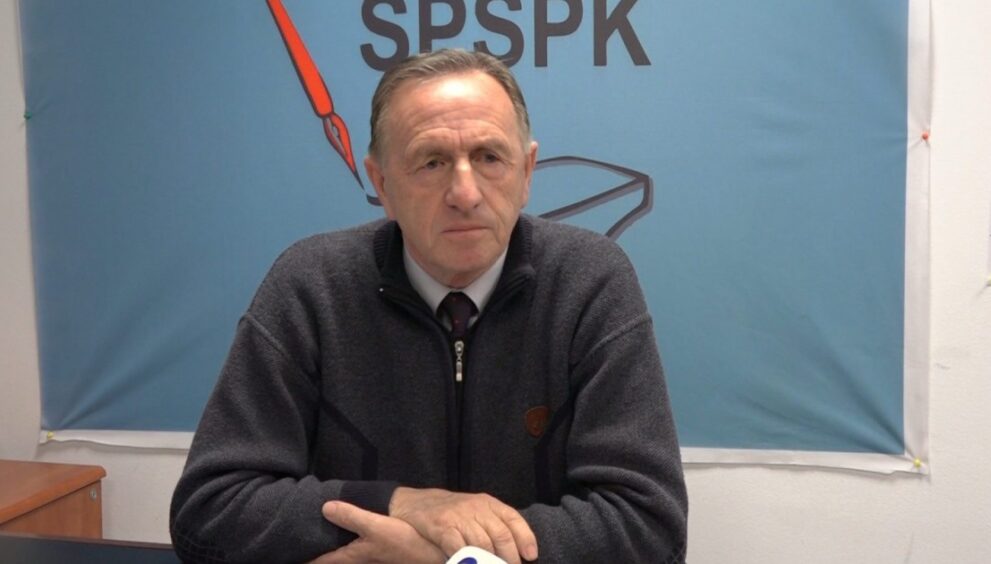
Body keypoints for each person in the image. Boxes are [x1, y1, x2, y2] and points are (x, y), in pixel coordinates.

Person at [170, 48, 687, 564]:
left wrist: (446, 559)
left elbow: (651, 529)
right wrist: (400, 503)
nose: (465, 193)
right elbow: (208, 513)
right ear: (382, 185)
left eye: (489, 158)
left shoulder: (590, 281)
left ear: (527, 172)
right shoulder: (311, 285)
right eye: (432, 162)